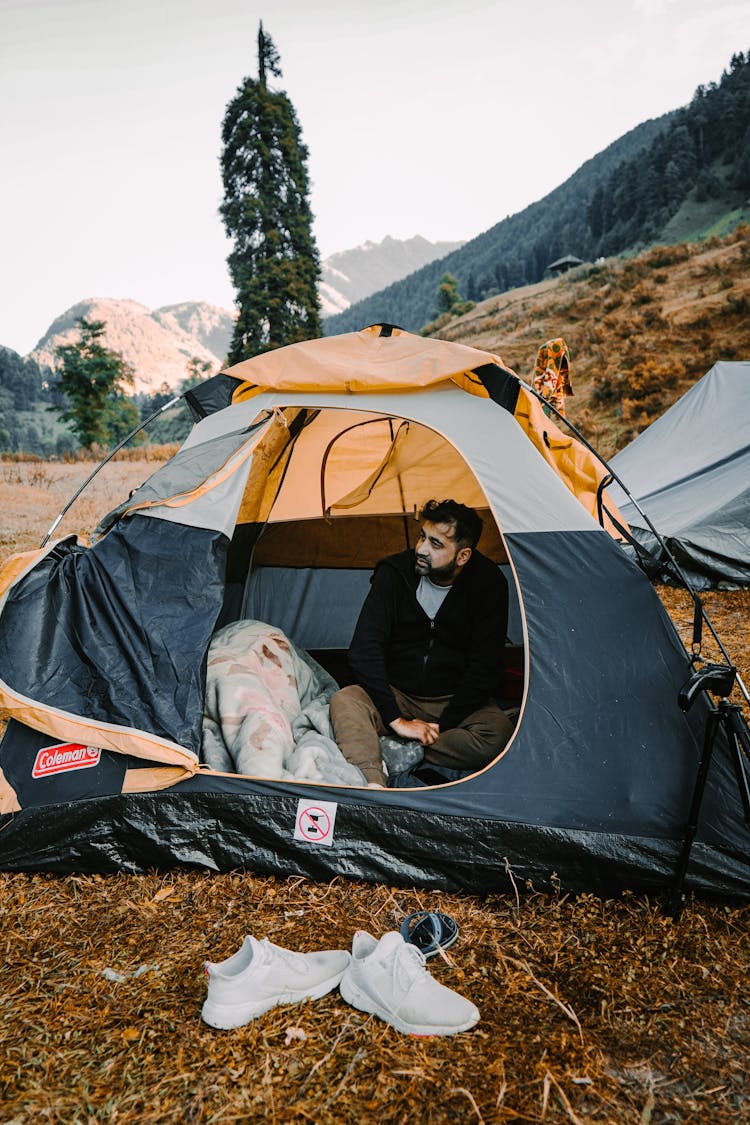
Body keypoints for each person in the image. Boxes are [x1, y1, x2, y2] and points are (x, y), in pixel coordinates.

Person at [330, 499, 514, 787]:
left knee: (499, 735)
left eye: (436, 544)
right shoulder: (394, 573)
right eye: (422, 537)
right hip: (396, 693)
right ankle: (372, 780)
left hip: (451, 699)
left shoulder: (488, 584)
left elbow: (485, 666)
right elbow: (364, 650)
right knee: (345, 701)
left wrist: (441, 725)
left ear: (463, 556)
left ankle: (401, 748)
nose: (422, 549)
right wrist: (397, 721)